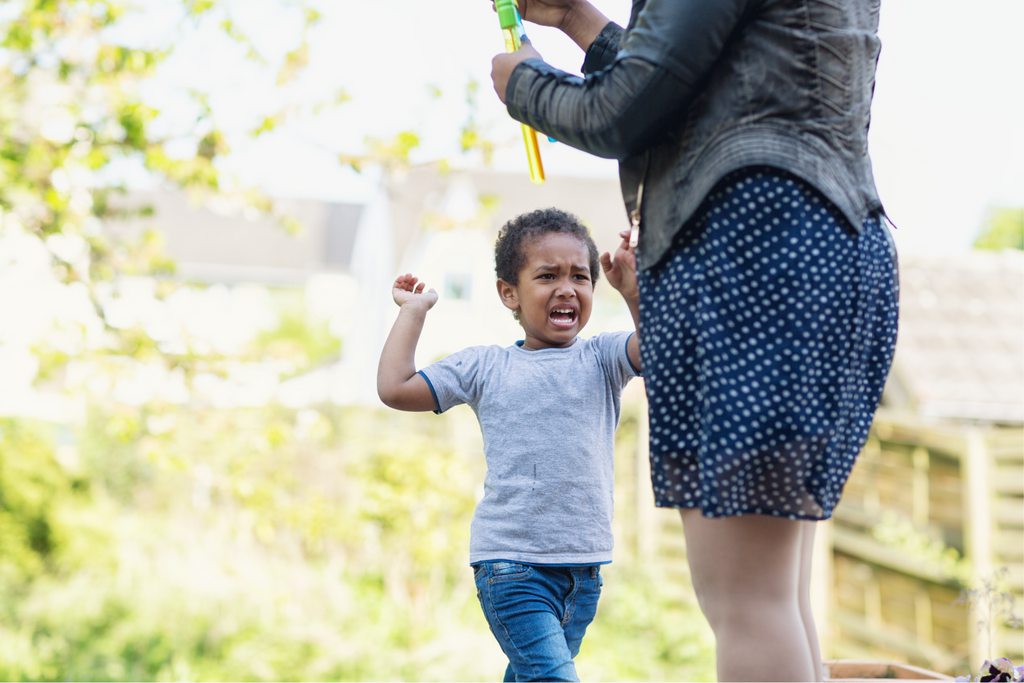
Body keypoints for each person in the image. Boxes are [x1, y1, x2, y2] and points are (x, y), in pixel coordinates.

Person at [488, 1, 899, 681]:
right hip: (832, 244)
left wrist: (523, 83)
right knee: (777, 593)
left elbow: (626, 109)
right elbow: (706, 82)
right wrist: (575, 20)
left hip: (752, 250)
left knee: (746, 601)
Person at [377, 208, 643, 682]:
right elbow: (396, 388)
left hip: (583, 572)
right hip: (512, 567)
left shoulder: (603, 358)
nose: (566, 288)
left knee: (529, 677)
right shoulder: (485, 367)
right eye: (547, 276)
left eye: (579, 276)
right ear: (509, 293)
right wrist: (413, 312)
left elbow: (663, 349)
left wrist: (635, 293)